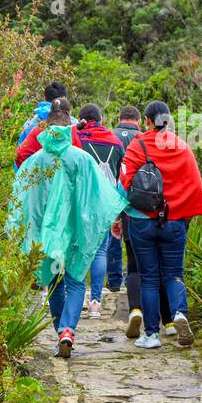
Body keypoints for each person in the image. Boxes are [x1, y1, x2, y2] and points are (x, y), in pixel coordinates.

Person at [7, 98, 127, 359]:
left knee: (53, 285)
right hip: (75, 232)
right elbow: (99, 195)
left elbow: (25, 202)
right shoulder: (81, 159)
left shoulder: (34, 162)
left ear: (47, 127)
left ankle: (59, 329)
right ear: (69, 124)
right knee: (74, 282)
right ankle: (67, 330)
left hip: (47, 237)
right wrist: (111, 218)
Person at [119, 100, 202, 349]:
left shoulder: (138, 146)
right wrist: (185, 217)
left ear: (147, 121)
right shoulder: (182, 147)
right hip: (175, 221)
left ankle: (151, 335)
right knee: (174, 274)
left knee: (148, 277)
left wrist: (122, 213)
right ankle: (179, 314)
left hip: (142, 221)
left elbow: (123, 184)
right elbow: (195, 185)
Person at [76, 103, 125, 319]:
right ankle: (96, 302)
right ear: (101, 120)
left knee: (77, 250)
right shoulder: (115, 142)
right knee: (100, 251)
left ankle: (75, 299)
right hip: (105, 202)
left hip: (82, 201)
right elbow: (120, 175)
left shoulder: (78, 140)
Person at [106, 106, 142, 292]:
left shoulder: (110, 136)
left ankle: (113, 281)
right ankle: (133, 278)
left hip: (113, 193)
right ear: (139, 120)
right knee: (134, 239)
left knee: (114, 237)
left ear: (119, 118)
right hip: (138, 196)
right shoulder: (143, 139)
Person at [14, 87, 82, 168]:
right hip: (67, 178)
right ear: (69, 113)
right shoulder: (74, 131)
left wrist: (29, 173)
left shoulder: (37, 128)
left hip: (40, 177)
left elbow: (20, 155)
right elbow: (78, 159)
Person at [17, 81, 67, 145]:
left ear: (45, 98)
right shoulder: (72, 122)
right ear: (64, 99)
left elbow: (21, 145)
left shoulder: (31, 121)